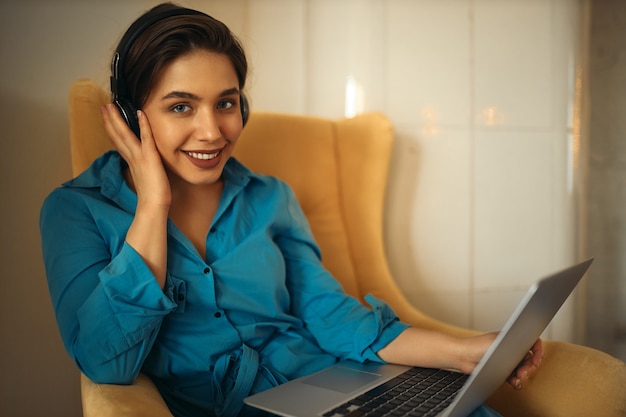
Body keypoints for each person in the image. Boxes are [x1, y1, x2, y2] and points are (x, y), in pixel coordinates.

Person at [40, 3, 543, 417]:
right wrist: (153, 204)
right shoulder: (76, 211)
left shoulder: (270, 196)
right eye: (180, 106)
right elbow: (107, 363)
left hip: (331, 379)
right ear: (131, 118)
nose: (213, 132)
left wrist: (464, 352)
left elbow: (329, 313)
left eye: (226, 103)